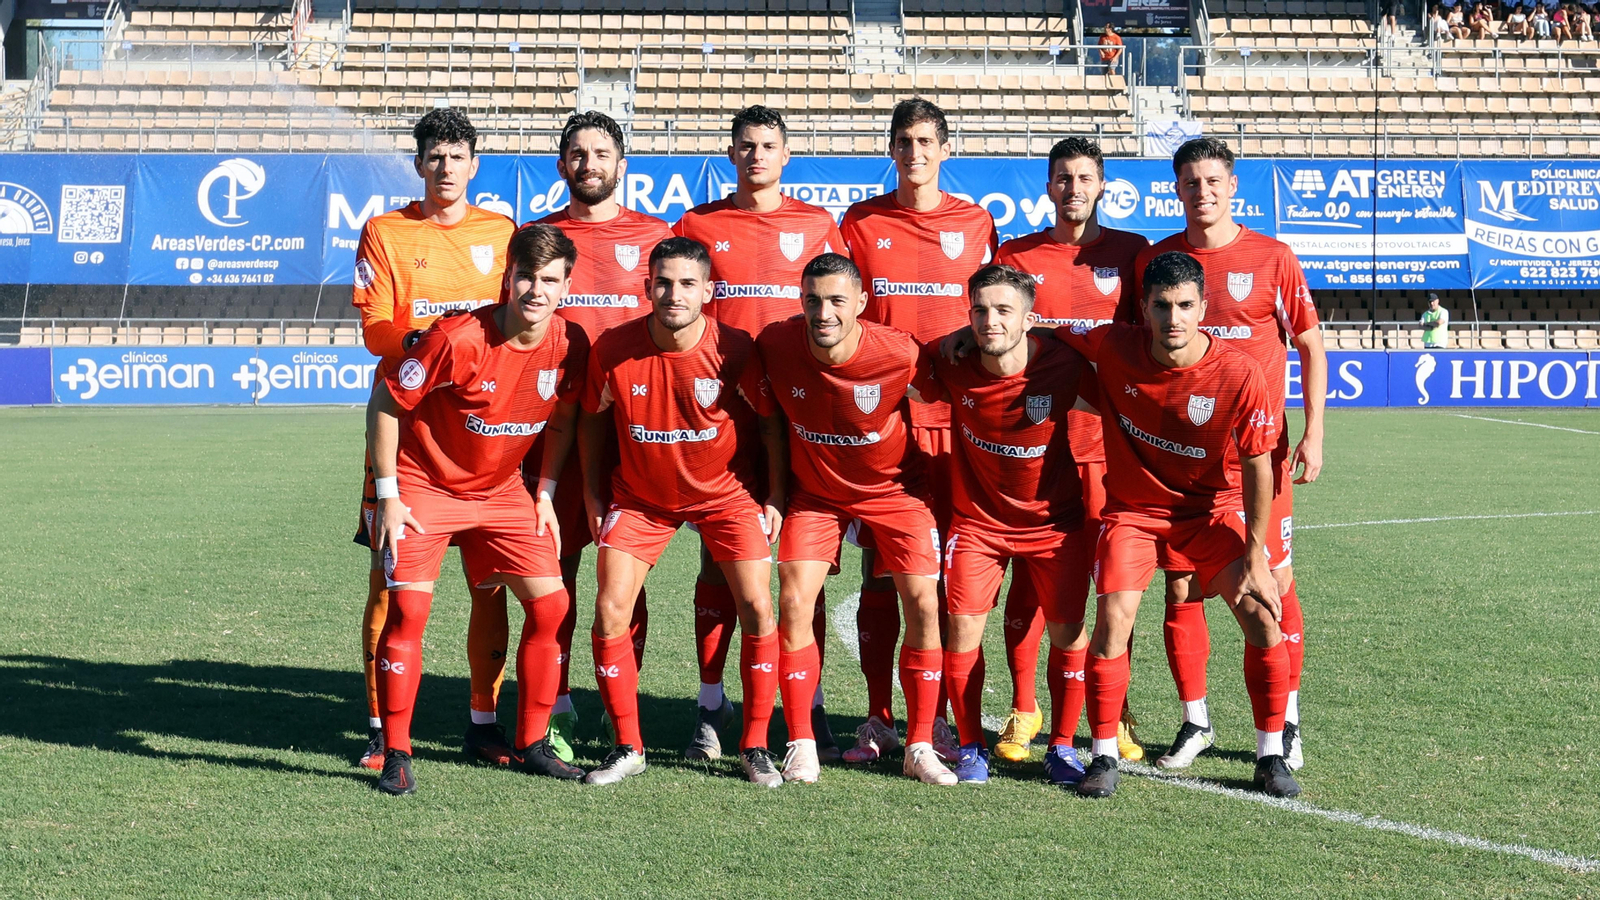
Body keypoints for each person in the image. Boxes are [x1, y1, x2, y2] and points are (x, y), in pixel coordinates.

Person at [1062, 251, 1296, 800]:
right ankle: (1102, 755)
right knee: (1113, 618)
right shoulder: (1113, 344)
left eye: (1185, 305)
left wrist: (1257, 555)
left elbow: (1260, 465)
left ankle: (1270, 756)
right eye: (1162, 306)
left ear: (1203, 307)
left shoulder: (1239, 372)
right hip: (1134, 515)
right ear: (1142, 309)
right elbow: (1050, 329)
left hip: (1210, 511)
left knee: (1263, 614)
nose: (1174, 319)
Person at [366, 223, 590, 794]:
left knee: (551, 606)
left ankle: (533, 740)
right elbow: (386, 401)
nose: (535, 291)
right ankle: (395, 751)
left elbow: (561, 419)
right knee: (409, 614)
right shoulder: (459, 338)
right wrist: (388, 495)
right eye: (525, 277)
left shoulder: (570, 343)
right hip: (425, 486)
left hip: (501, 492)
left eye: (550, 280)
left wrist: (543, 490)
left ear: (566, 284)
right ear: (506, 278)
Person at [1128, 137, 1324, 774]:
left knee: (1273, 584)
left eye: (1213, 180)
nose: (1202, 192)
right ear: (1176, 189)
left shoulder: (1273, 257)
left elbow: (1311, 345)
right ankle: (1196, 721)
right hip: (1183, 466)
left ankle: (1284, 719)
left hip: (1257, 460)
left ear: (1232, 184)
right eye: (1189, 182)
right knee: (1181, 589)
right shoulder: (1158, 262)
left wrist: (1315, 431)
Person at [671, 106, 848, 764]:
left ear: (786, 155)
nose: (756, 156)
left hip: (805, 418)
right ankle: (711, 708)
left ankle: (814, 703)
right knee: (720, 562)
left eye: (767, 146)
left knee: (808, 570)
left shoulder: (817, 225)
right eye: (745, 146)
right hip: (727, 420)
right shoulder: (697, 225)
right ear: (730, 153)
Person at [578, 237, 786, 787]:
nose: (674, 293)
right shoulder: (612, 349)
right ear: (646, 287)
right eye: (664, 283)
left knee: (759, 608)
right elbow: (592, 420)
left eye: (688, 283)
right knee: (609, 608)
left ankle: (755, 745)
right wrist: (594, 495)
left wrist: (776, 497)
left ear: (708, 291)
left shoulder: (735, 349)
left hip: (726, 496)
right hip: (640, 498)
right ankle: (628, 745)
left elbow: (769, 425)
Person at [349, 108, 518, 772]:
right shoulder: (385, 232)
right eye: (434, 157)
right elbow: (375, 328)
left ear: (475, 164)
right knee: (389, 583)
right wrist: (432, 343)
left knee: (490, 583)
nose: (446, 168)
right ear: (419, 165)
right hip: (406, 428)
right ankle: (377, 724)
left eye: (457, 156)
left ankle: (484, 720)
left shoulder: (502, 233)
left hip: (484, 435)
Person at [753, 253, 955, 786]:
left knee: (924, 604)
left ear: (862, 305)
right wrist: (774, 493)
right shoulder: (776, 344)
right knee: (794, 599)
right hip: (816, 495)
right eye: (813, 299)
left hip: (895, 493)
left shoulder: (900, 353)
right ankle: (801, 743)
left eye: (838, 300)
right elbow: (766, 420)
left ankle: (919, 744)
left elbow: (951, 398)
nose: (824, 311)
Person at [841, 97, 998, 765]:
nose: (915, 152)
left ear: (945, 149)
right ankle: (879, 718)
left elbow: (996, 311)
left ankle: (935, 722)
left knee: (951, 580)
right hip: (885, 426)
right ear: (891, 148)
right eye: (903, 140)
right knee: (883, 575)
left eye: (926, 140)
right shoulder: (861, 221)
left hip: (960, 429)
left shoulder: (977, 222)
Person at [515, 110, 672, 763]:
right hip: (547, 430)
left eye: (601, 152)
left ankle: (618, 711)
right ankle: (552, 705)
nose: (589, 163)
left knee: (624, 582)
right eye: (576, 153)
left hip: (628, 437)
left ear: (621, 164)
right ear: (561, 165)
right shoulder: (537, 237)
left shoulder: (657, 237)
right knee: (552, 578)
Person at [991, 136, 1149, 766]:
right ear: (1049, 186)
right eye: (1063, 178)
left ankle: (1118, 709)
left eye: (1085, 178)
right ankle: (1025, 708)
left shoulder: (1132, 254)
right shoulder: (1017, 254)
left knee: (1115, 587)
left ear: (1102, 185)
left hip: (1111, 450)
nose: (1074, 188)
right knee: (1032, 583)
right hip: (1036, 446)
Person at [926, 265, 1093, 785]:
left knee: (1068, 635)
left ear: (1030, 319)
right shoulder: (952, 362)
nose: (990, 321)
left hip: (1056, 524)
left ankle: (1062, 747)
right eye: (979, 311)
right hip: (978, 525)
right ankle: (972, 746)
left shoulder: (1067, 365)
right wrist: (952, 338)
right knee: (961, 631)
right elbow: (905, 361)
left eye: (1003, 311)